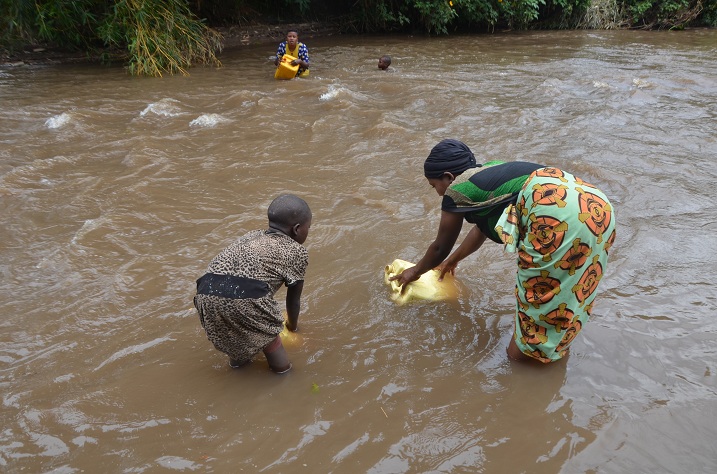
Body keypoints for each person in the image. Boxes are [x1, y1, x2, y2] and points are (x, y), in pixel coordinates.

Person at [390, 139, 616, 364]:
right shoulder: (491, 170)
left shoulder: (457, 190)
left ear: (448, 177)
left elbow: (440, 246)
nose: (438, 193)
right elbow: (482, 229)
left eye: (434, 186)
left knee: (534, 308)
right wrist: (453, 260)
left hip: (553, 215)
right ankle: (553, 354)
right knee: (573, 288)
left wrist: (414, 272)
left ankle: (523, 370)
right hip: (595, 206)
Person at [193, 194, 312, 373]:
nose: (308, 232)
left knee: (236, 336)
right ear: (296, 229)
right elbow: (293, 301)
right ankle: (283, 374)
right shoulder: (296, 251)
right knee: (271, 341)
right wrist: (292, 327)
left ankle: (238, 367)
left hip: (205, 291)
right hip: (246, 297)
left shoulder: (252, 236)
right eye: (308, 228)